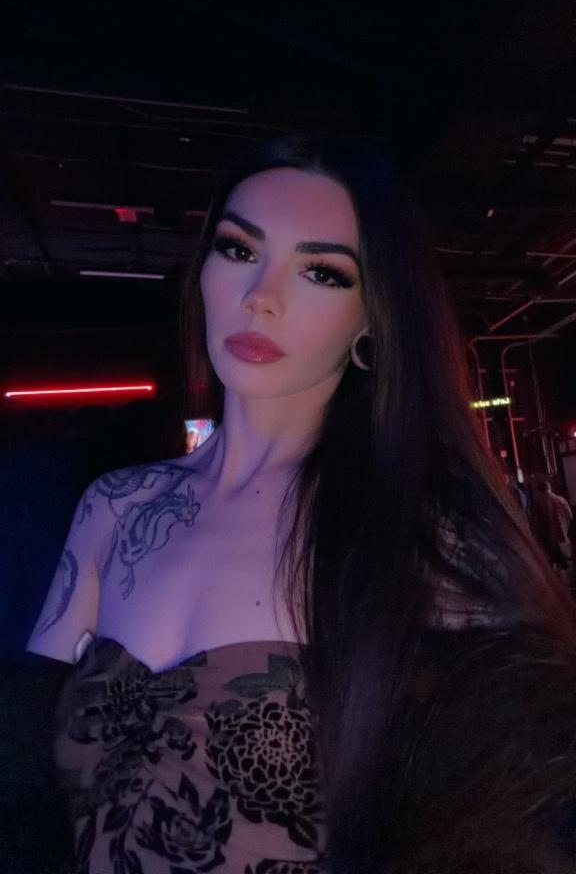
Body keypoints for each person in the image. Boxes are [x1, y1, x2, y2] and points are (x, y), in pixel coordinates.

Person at [24, 137, 576, 874]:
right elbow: (20, 772)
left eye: (321, 271)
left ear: (372, 320)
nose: (261, 296)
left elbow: (517, 817)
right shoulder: (115, 507)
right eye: (239, 249)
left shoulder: (424, 529)